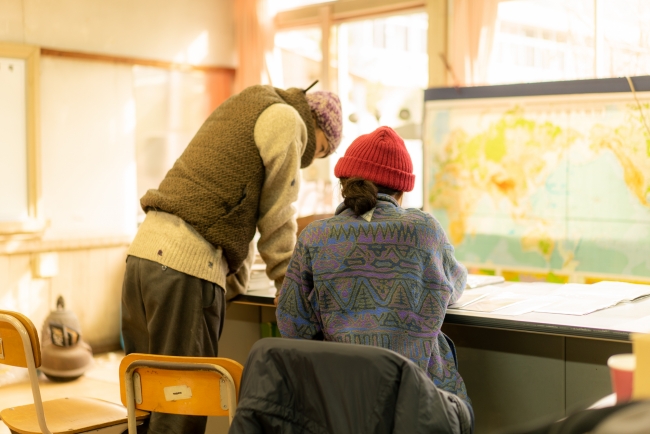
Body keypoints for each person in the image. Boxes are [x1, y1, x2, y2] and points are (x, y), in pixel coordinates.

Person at [121, 83, 342, 434]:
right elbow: (277, 215)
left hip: (142, 257)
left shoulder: (251, 101)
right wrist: (291, 286)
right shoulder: (288, 123)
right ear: (313, 123)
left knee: (146, 403)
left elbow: (242, 214)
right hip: (183, 267)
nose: (313, 157)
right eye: (322, 148)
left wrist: (231, 285)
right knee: (180, 409)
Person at [276, 126, 473, 432]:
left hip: (340, 404)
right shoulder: (424, 228)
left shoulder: (316, 235)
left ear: (345, 184)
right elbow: (453, 286)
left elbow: (293, 326)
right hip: (422, 402)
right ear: (401, 191)